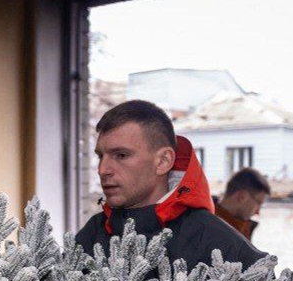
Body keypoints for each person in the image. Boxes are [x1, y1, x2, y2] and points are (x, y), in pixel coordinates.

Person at [76, 100, 265, 271]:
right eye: (101, 156)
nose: (102, 169)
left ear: (163, 161)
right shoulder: (92, 234)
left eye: (121, 155)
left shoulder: (219, 243)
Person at [214, 167, 271, 243]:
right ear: (242, 196)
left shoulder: (242, 228)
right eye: (258, 203)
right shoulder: (207, 227)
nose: (257, 212)